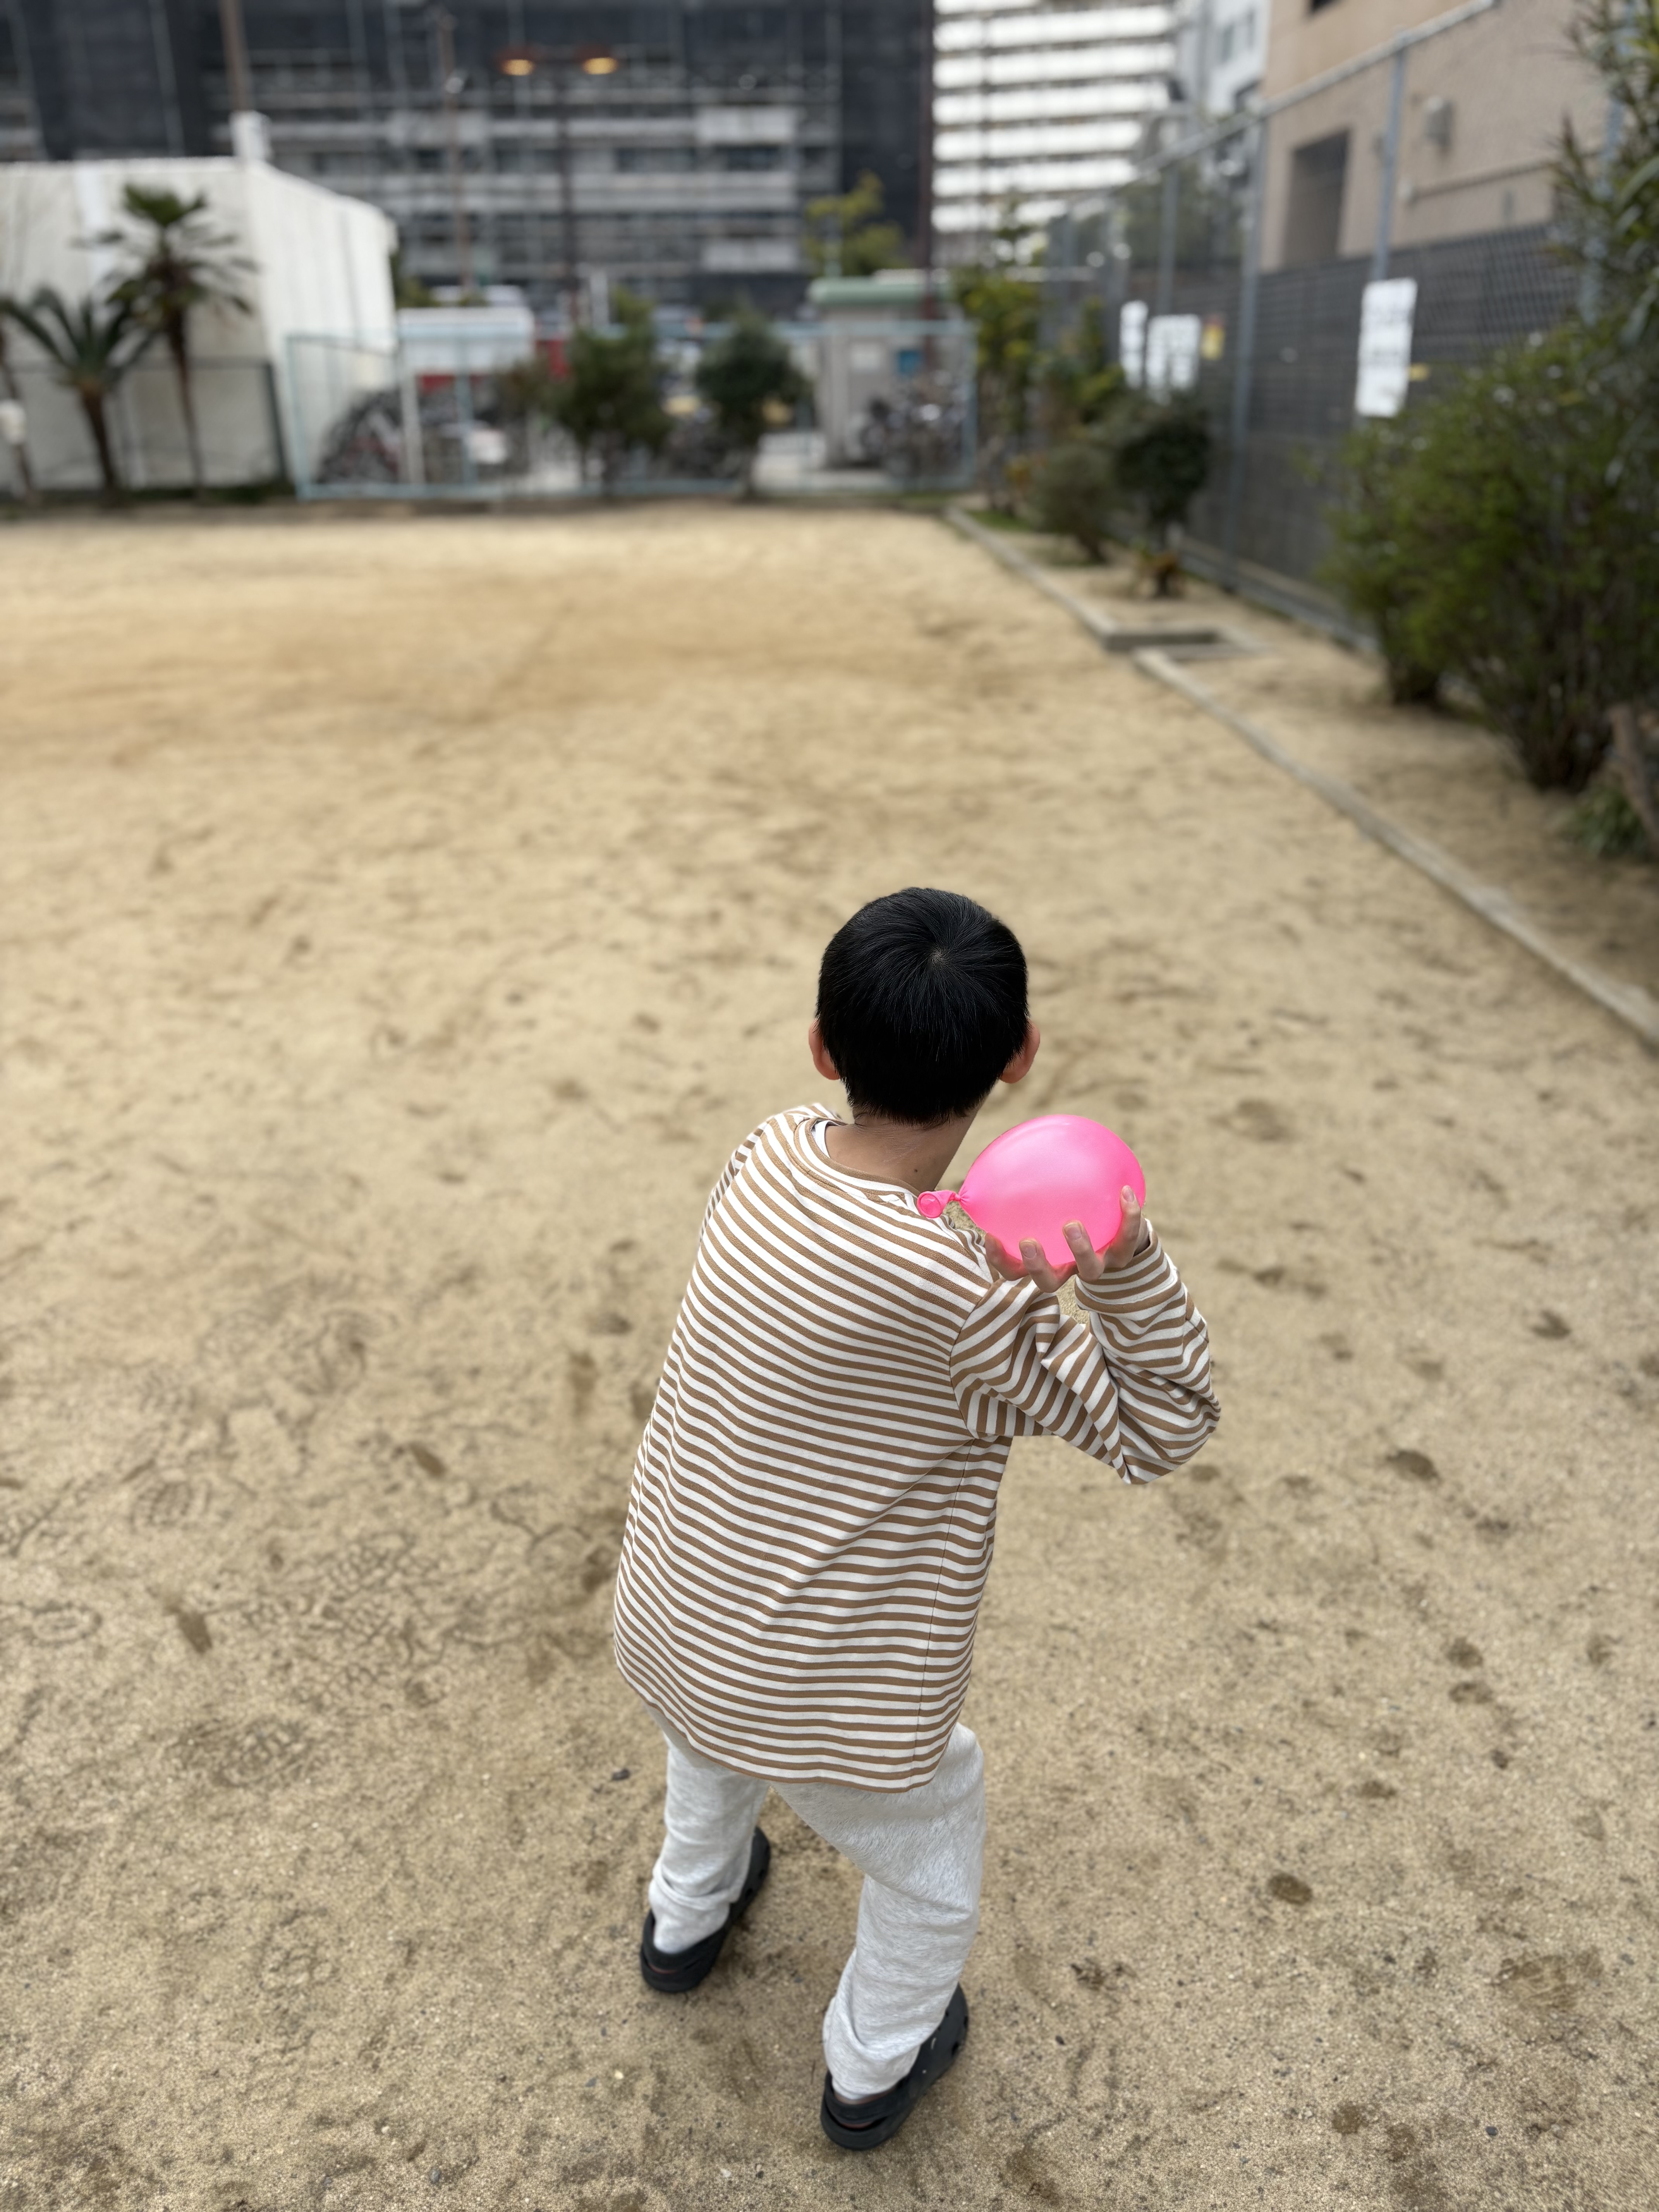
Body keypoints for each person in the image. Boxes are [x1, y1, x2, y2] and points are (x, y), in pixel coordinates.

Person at [613, 886, 1219, 2150]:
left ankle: (685, 1916)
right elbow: (1162, 1421)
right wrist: (1118, 1257)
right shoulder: (972, 1293)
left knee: (713, 1740)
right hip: (824, 1686)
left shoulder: (768, 1151)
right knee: (930, 1849)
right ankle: (871, 2065)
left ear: (821, 1047)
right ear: (1019, 1056)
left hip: (676, 1614)